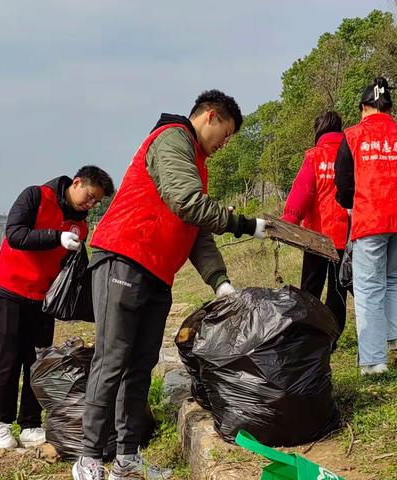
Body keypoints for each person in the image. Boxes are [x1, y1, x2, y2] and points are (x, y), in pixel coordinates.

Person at [72, 90, 267, 480]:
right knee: (112, 360)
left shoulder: (197, 162)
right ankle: (89, 458)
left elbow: (195, 228)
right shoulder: (173, 137)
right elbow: (188, 203)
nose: (225, 145)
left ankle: (127, 458)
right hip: (124, 259)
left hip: (157, 273)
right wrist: (244, 224)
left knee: (141, 366)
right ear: (210, 116)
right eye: (226, 134)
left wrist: (220, 282)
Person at [0, 166, 114, 449]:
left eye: (96, 202)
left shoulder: (80, 225)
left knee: (37, 361)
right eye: (90, 197)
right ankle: (1, 422)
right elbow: (15, 235)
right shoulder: (35, 196)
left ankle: (30, 423)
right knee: (9, 359)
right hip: (9, 289)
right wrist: (55, 237)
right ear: (77, 182)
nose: (91, 204)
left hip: (43, 299)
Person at [335, 77, 397, 376]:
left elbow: (343, 185)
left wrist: (352, 203)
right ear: (388, 107)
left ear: (363, 107)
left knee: (370, 287)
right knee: (394, 281)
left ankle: (374, 362)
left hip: (370, 219)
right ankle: (393, 341)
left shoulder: (352, 136)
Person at [282, 111, 352, 343]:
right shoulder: (350, 153)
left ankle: (307, 337)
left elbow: (302, 192)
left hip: (316, 238)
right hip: (345, 237)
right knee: (337, 291)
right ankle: (331, 339)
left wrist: (288, 223)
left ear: (318, 131)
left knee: (310, 290)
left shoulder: (314, 157)